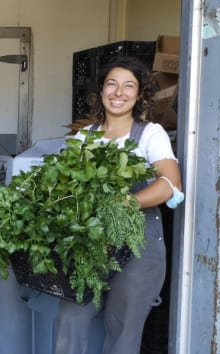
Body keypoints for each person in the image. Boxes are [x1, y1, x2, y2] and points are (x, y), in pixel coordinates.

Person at [53, 56, 183, 354]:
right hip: (90, 244)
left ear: (139, 95)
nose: (118, 92)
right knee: (69, 320)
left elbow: (170, 184)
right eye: (111, 84)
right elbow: (67, 188)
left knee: (123, 330)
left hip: (139, 246)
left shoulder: (150, 134)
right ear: (100, 92)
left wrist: (127, 201)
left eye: (128, 86)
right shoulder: (84, 138)